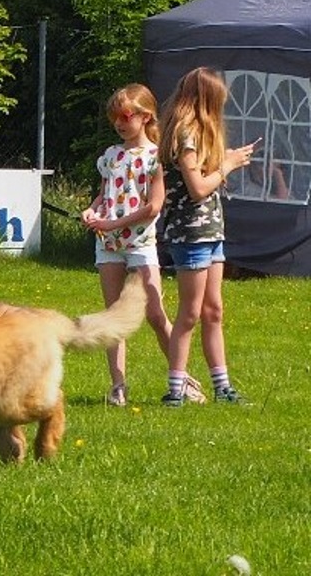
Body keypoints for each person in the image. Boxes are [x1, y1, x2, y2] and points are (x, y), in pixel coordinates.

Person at [82, 84, 205, 407]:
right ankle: (118, 386)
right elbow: (106, 193)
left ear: (145, 116)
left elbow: (153, 206)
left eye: (125, 116)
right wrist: (93, 210)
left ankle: (182, 379)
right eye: (115, 118)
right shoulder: (111, 156)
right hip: (108, 244)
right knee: (113, 315)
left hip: (140, 243)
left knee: (154, 313)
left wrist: (113, 223)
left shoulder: (155, 157)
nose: (119, 124)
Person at [158, 67, 258, 406]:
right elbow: (198, 189)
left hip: (211, 232)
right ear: (207, 101)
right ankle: (176, 389)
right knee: (190, 313)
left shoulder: (200, 134)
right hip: (191, 234)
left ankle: (222, 387)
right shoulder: (186, 135)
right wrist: (227, 165)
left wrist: (226, 160)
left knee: (213, 310)